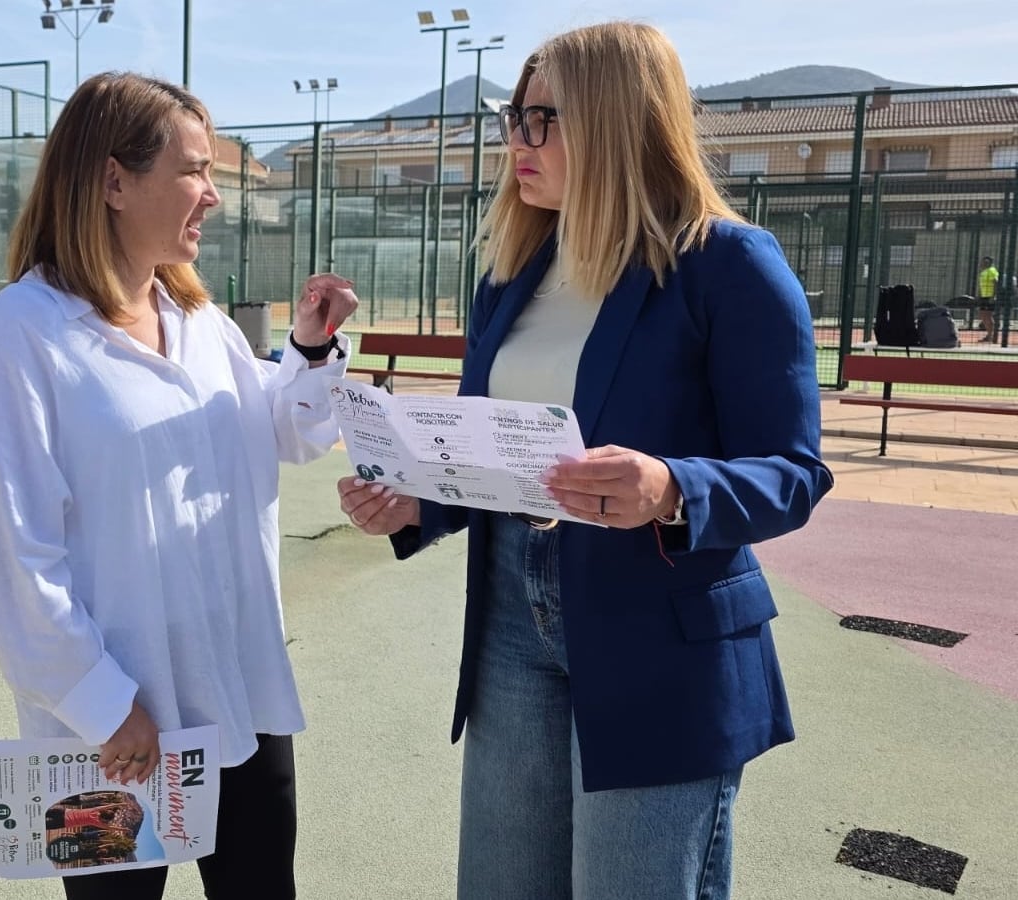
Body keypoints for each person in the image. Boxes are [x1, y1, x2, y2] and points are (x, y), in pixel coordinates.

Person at [336, 22, 833, 899]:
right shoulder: (512, 274)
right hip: (511, 626)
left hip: (661, 632)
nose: (517, 143)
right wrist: (421, 502)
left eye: (543, 120)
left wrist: (673, 487)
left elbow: (793, 472)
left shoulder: (730, 266)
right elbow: (492, 449)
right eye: (513, 120)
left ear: (615, 121)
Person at [0, 71, 358, 900]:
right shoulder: (22, 337)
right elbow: (13, 559)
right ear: (111, 182)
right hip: (112, 732)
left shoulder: (199, 322)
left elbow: (280, 434)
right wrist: (103, 704)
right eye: (195, 172)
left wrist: (309, 352)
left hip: (239, 697)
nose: (213, 195)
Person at [976, 255, 999, 342]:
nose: (983, 263)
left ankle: (991, 336)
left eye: (986, 262)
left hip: (989, 297)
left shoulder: (992, 271)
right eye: (983, 262)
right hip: (983, 296)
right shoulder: (983, 272)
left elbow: (996, 283)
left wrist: (994, 296)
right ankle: (989, 335)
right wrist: (979, 295)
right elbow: (981, 285)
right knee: (982, 315)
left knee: (988, 316)